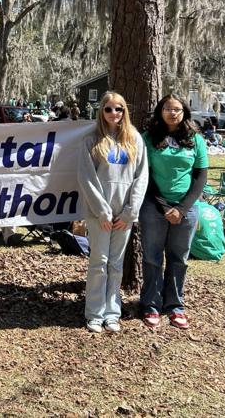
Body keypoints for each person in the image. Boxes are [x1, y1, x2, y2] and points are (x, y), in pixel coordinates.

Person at [78, 92, 148, 333]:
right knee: (99, 263)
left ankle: (112, 313)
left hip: (124, 215)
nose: (114, 113)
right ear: (101, 112)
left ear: (124, 111)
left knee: (116, 264)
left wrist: (130, 212)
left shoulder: (135, 139)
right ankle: (94, 314)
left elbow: (141, 177)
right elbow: (86, 178)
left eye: (118, 109)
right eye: (108, 109)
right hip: (99, 214)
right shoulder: (91, 140)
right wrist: (102, 212)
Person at [139, 94, 208, 329]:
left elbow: (200, 177)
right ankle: (151, 305)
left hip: (187, 209)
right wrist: (165, 206)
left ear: (185, 113)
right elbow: (144, 176)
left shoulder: (195, 140)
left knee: (179, 259)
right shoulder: (148, 138)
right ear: (160, 111)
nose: (172, 113)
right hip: (153, 206)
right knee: (151, 257)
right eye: (168, 108)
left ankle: (175, 306)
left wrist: (182, 208)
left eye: (177, 109)